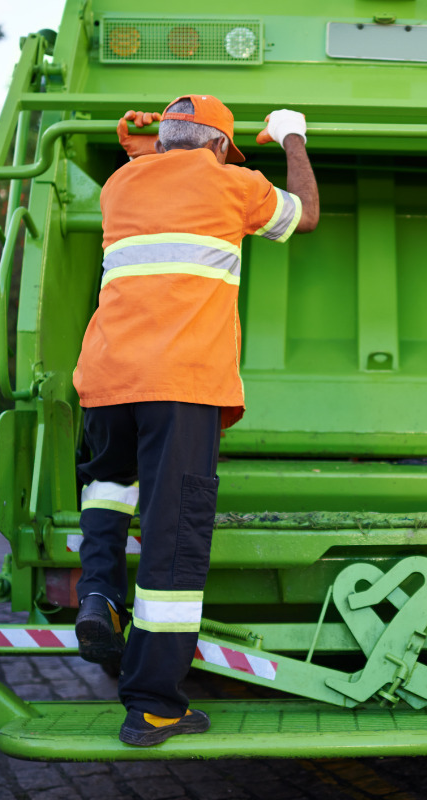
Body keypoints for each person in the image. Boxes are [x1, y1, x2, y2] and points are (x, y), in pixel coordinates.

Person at [70, 94, 319, 746]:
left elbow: (158, 162)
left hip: (105, 378)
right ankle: (154, 704)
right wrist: (292, 138)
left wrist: (142, 141)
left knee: (108, 486)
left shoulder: (121, 183)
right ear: (215, 148)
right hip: (179, 386)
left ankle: (97, 593)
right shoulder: (232, 183)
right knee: (172, 541)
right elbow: (307, 215)